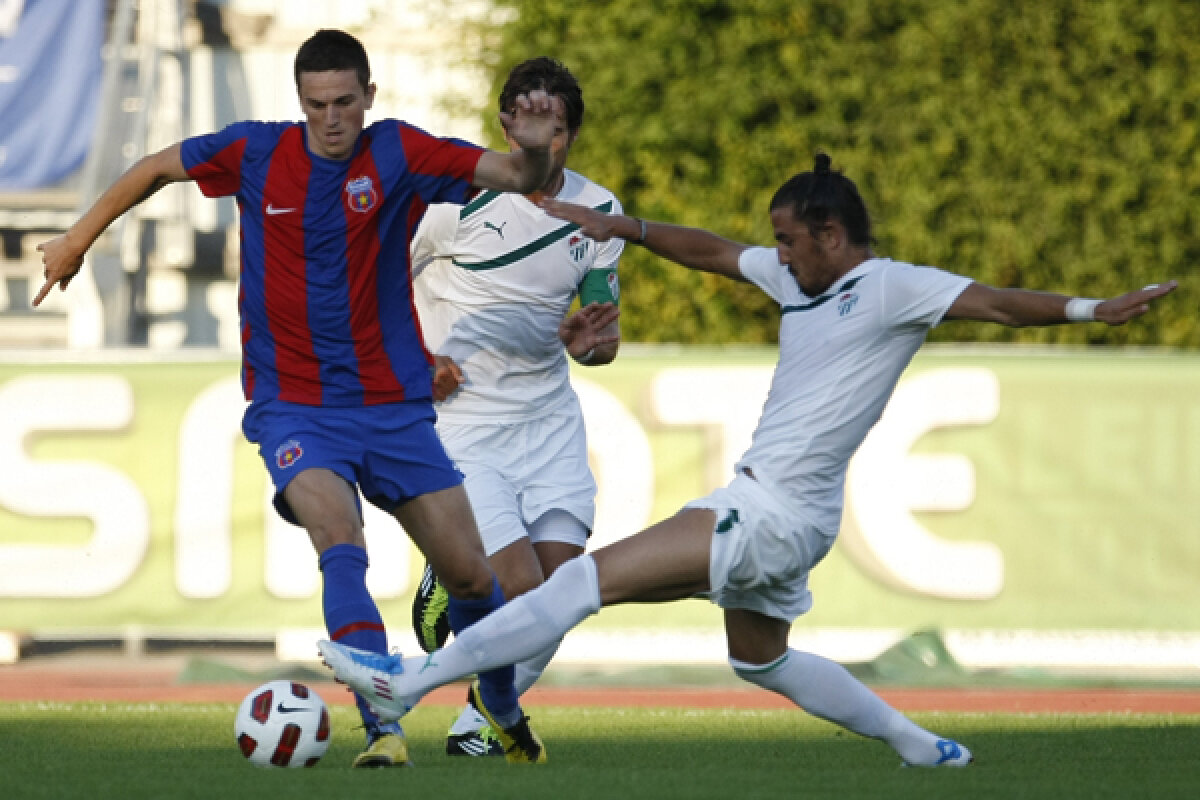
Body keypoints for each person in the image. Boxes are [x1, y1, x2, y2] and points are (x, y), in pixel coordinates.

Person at [321, 152, 1177, 766]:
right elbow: (715, 253)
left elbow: (997, 305)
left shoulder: (890, 287)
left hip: (763, 513)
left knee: (576, 584)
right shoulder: (799, 277)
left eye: (792, 240)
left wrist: (1091, 308)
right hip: (794, 524)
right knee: (761, 658)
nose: (779, 253)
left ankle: (412, 680)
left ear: (834, 235)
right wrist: (627, 228)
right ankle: (922, 747)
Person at [34, 29, 566, 767]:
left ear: (369, 97)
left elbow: (514, 173)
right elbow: (158, 166)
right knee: (339, 542)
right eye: (316, 105)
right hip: (295, 408)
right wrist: (76, 240)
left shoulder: (399, 153)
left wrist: (536, 148)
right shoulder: (256, 153)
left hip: (393, 409)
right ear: (299, 103)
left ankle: (501, 709)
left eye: (345, 101)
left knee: (473, 576)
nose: (332, 118)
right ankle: (383, 725)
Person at [407, 56, 622, 757]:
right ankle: (455, 584)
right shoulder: (454, 199)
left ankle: (476, 722)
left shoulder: (600, 211)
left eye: (555, 128)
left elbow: (600, 332)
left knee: (563, 592)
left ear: (573, 134)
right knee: (521, 585)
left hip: (549, 423)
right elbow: (375, 286)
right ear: (505, 126)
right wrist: (418, 360)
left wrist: (591, 342)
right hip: (464, 426)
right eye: (528, 123)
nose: (541, 141)